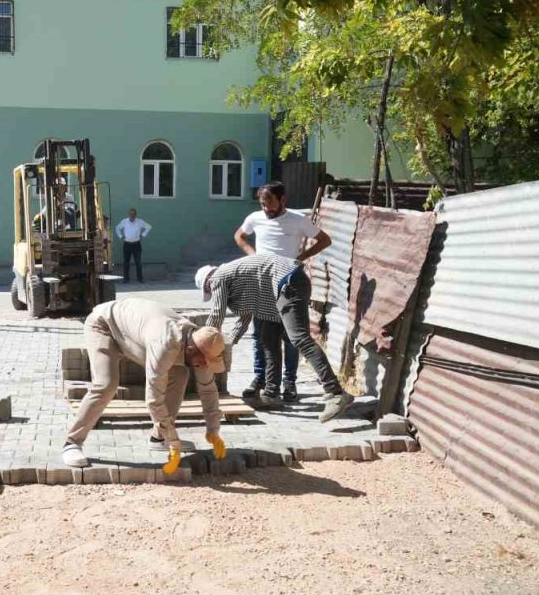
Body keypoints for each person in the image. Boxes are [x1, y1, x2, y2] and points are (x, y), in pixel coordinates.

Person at [62, 298, 229, 474]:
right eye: (204, 361)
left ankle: (159, 438)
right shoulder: (165, 344)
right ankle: (72, 443)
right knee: (106, 384)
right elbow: (154, 400)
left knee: (180, 374)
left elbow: (208, 389)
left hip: (134, 331)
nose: (205, 365)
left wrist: (213, 431)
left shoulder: (201, 343)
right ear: (191, 350)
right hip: (104, 325)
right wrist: (173, 439)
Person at [195, 254, 354, 422]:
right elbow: (245, 317)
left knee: (300, 339)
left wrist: (202, 343)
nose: (213, 293)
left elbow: (217, 314)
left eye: (210, 291)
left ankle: (336, 393)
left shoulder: (218, 278)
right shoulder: (233, 277)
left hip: (289, 283)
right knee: (268, 338)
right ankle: (271, 394)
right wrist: (228, 344)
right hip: (282, 287)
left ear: (208, 283)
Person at [233, 181, 332, 402]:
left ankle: (289, 382)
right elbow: (239, 236)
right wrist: (253, 255)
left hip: (290, 283)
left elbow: (325, 240)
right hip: (263, 283)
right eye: (262, 204)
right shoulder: (255, 218)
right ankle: (262, 379)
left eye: (269, 204)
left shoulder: (298, 220)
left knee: (291, 336)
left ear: (283, 200)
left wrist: (301, 257)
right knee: (262, 335)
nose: (266, 209)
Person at [116, 208, 152, 283]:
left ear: (135, 215)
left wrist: (143, 235)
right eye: (131, 214)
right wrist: (121, 236)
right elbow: (117, 228)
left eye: (133, 214)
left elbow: (149, 227)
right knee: (126, 262)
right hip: (127, 244)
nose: (132, 216)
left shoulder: (140, 221)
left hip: (136, 244)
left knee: (138, 262)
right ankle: (126, 279)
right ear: (128, 214)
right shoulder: (124, 221)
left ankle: (140, 279)